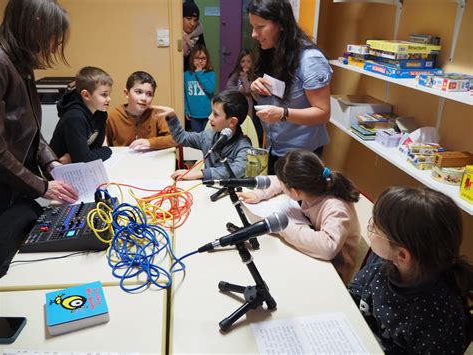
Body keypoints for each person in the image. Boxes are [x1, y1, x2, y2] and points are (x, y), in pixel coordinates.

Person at [0, 0, 79, 277]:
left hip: (15, 189)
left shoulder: (20, 63)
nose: (53, 49)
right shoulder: (0, 63)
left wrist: (51, 164)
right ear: (36, 27)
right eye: (52, 41)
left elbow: (31, 129)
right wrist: (44, 187)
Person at [348, 186, 473, 354]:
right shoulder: (382, 259)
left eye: (375, 226)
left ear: (402, 255)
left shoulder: (440, 317)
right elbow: (355, 293)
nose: (369, 224)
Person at [238, 149, 361, 283]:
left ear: (295, 192)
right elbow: (279, 182)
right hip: (313, 245)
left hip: (334, 271)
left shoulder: (337, 209)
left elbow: (328, 248)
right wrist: (258, 194)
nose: (281, 185)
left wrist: (282, 226)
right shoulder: (314, 183)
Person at [248, 0, 332, 174]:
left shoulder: (310, 60)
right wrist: (256, 90)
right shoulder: (270, 51)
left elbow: (323, 113)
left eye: (260, 27)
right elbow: (276, 97)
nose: (253, 34)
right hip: (274, 147)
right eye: (252, 27)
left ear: (281, 24)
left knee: (295, 201)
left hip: (301, 155)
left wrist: (283, 114)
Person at [166, 89, 252, 180]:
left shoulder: (244, 146)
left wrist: (200, 174)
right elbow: (181, 137)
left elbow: (237, 170)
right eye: (212, 112)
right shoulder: (208, 136)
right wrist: (171, 118)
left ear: (232, 122)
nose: (209, 117)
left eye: (215, 114)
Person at [50, 66, 113, 163]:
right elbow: (84, 159)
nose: (109, 99)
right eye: (104, 95)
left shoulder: (101, 113)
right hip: (60, 169)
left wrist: (81, 156)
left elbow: (95, 148)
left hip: (78, 166)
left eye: (109, 94)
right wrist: (107, 150)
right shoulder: (74, 117)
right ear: (86, 95)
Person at [106, 71, 176, 151]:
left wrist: (150, 142)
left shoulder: (157, 114)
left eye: (149, 94)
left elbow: (176, 139)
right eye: (139, 92)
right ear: (126, 93)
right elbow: (104, 147)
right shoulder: (112, 117)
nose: (144, 98)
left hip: (151, 161)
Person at [226, 49, 263, 147]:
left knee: (248, 126)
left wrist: (244, 77)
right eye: (243, 61)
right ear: (239, 62)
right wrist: (239, 88)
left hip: (249, 107)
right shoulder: (236, 74)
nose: (245, 64)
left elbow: (247, 89)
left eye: (248, 61)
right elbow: (228, 87)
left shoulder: (253, 76)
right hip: (237, 104)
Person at [184, 45, 215, 133]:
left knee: (208, 138)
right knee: (197, 138)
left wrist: (199, 74)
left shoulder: (211, 74)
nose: (200, 61)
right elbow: (184, 94)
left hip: (208, 114)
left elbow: (210, 89)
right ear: (192, 59)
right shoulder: (187, 75)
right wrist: (186, 110)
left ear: (207, 60)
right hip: (193, 115)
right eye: (197, 58)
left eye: (203, 58)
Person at [183, 0, 205, 72]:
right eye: (189, 19)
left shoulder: (198, 35)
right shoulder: (174, 34)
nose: (192, 23)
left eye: (195, 20)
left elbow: (203, 58)